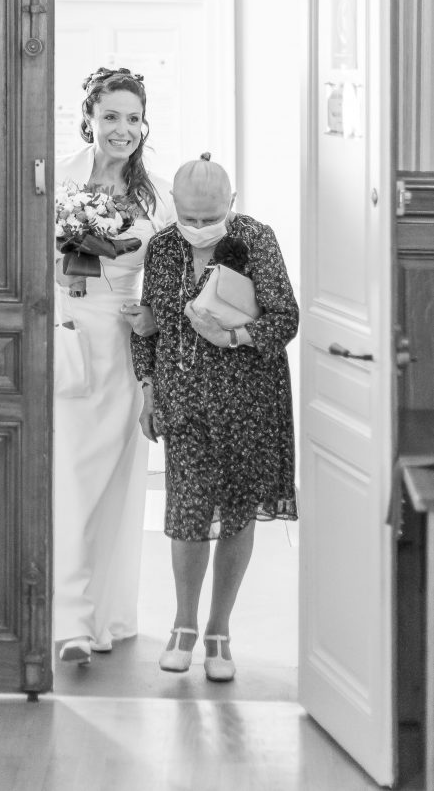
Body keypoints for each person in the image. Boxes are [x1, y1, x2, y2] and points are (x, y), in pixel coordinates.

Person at [131, 154, 298, 682]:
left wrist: (233, 335)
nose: (201, 228)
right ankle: (182, 624)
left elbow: (285, 317)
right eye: (191, 216)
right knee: (186, 514)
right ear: (174, 206)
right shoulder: (161, 248)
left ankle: (219, 630)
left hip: (249, 401)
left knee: (238, 513)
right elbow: (150, 328)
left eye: (211, 216)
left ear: (231, 203)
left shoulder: (256, 239)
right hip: (183, 401)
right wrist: (148, 391)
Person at [54, 66, 175, 665]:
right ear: (90, 120)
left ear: (144, 124)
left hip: (126, 351)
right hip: (70, 339)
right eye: (111, 117)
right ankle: (67, 621)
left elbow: (176, 281)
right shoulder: (57, 180)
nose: (122, 129)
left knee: (114, 487)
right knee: (69, 480)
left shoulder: (161, 198)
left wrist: (152, 320)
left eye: (132, 118)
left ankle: (104, 614)